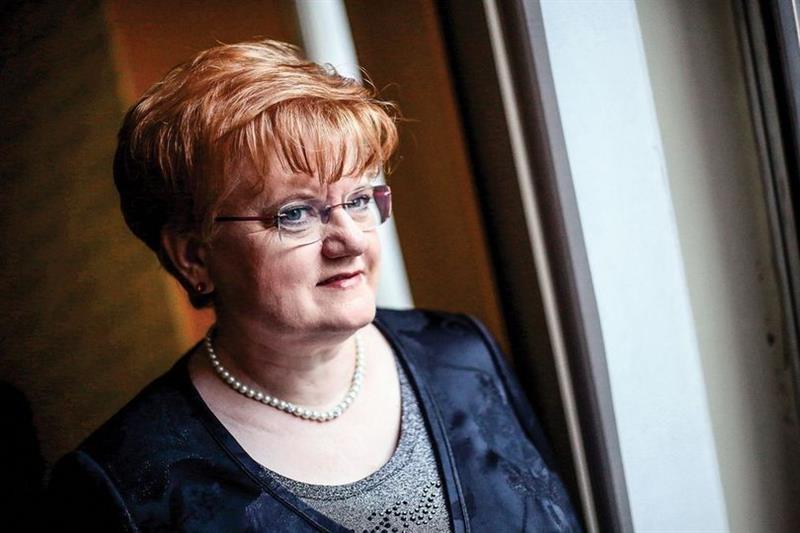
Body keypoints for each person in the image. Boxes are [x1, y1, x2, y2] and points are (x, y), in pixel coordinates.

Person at [47, 40, 581, 532]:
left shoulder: (462, 353)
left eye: (359, 200)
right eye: (295, 213)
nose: (350, 239)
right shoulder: (121, 482)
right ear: (194, 255)